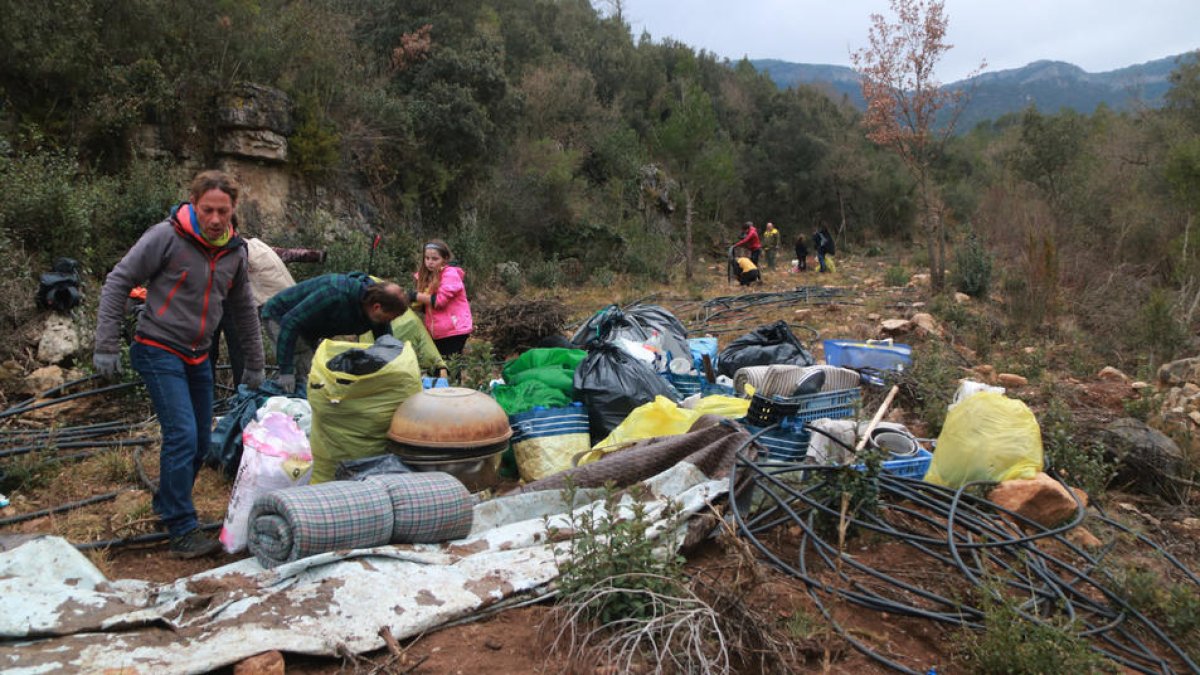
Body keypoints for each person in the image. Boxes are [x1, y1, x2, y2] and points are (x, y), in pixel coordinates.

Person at [93, 170, 265, 559]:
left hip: (198, 354)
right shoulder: (165, 237)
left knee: (203, 441)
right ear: (194, 203)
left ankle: (169, 508)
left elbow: (242, 310)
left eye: (223, 210)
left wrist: (255, 363)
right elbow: (119, 280)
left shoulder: (235, 252)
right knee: (183, 435)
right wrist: (105, 344)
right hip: (157, 347)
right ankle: (181, 525)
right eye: (208, 209)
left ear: (234, 208)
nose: (216, 219)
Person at [261, 273, 408, 394]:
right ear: (377, 307)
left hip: (309, 328)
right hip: (281, 317)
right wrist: (286, 370)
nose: (389, 321)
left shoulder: (376, 311)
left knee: (314, 374)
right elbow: (290, 322)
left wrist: (393, 371)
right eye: (391, 318)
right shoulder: (334, 293)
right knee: (304, 381)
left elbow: (385, 343)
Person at [208, 237, 297, 387]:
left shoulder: (241, 251)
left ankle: (240, 396)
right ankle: (240, 396)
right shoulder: (253, 248)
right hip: (222, 297)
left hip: (229, 298)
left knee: (234, 352)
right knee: (227, 352)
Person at [410, 240, 473, 358]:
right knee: (439, 367)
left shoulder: (450, 275)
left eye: (435, 259)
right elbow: (428, 306)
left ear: (445, 259)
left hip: (454, 329)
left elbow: (440, 301)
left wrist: (415, 296)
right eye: (427, 258)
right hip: (438, 331)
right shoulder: (427, 276)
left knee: (449, 366)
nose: (430, 262)